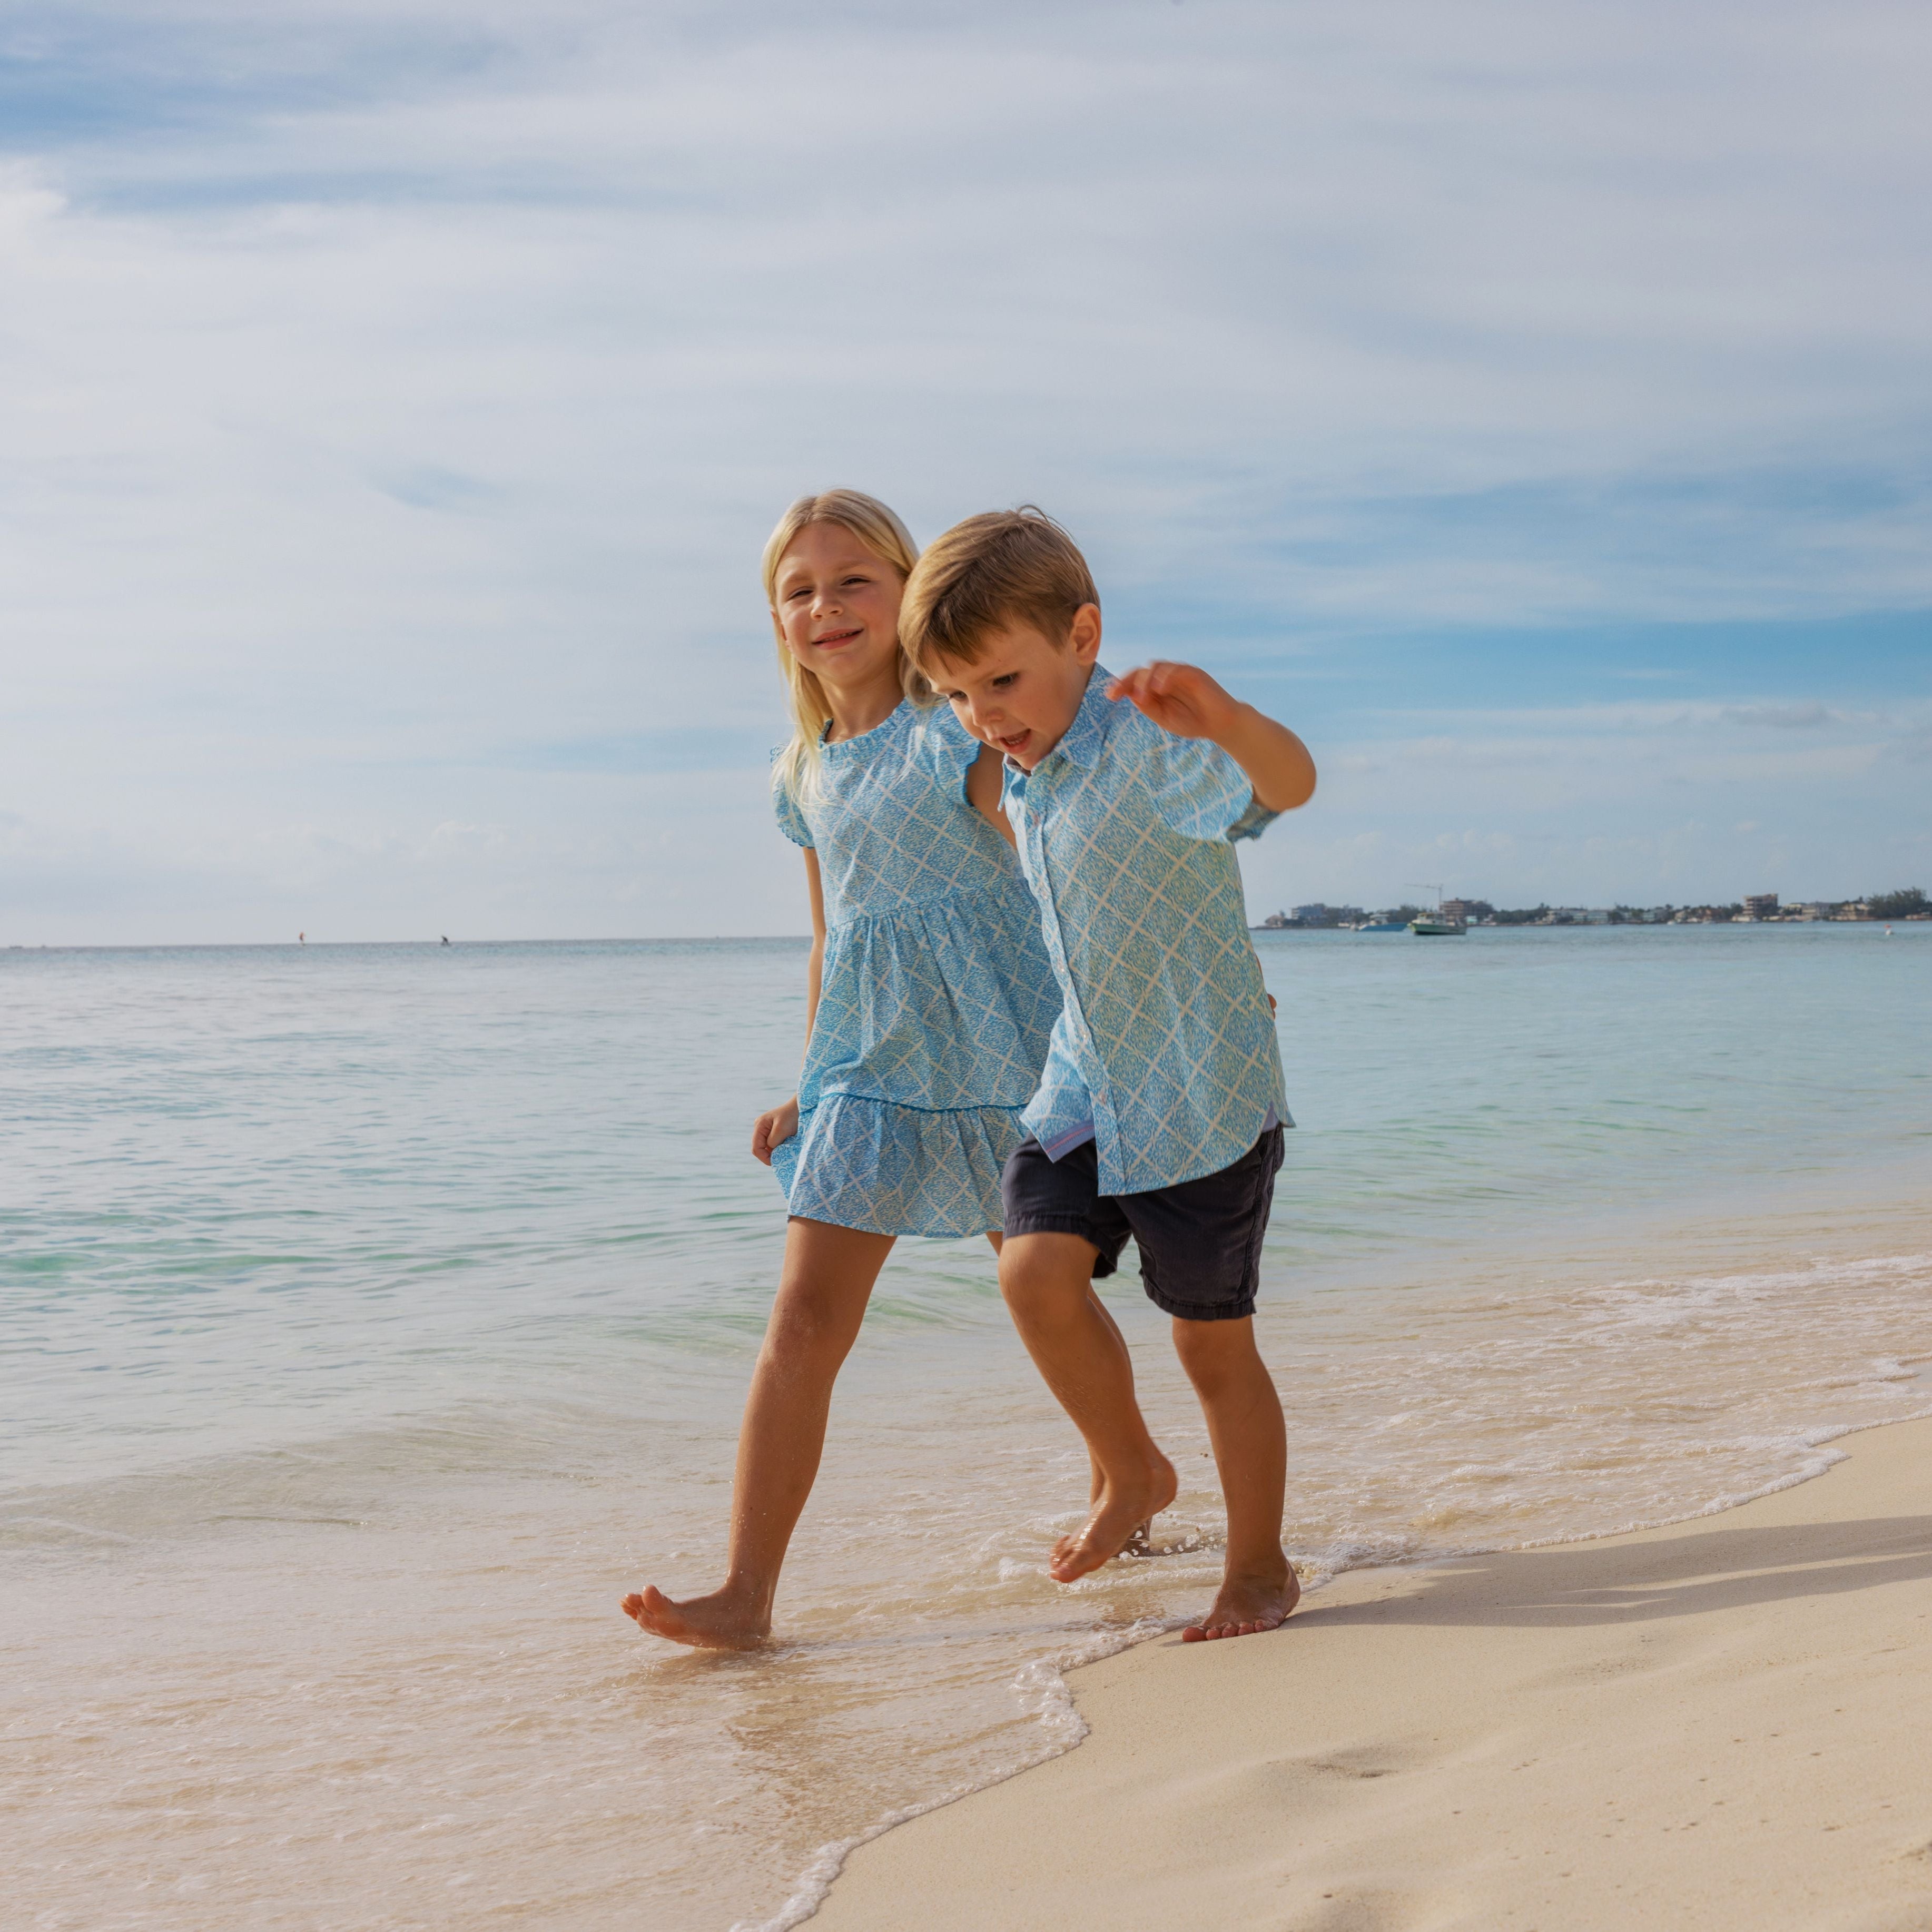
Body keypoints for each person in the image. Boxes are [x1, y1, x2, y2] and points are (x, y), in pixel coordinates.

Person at [624, 489, 1090, 1647]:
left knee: (1042, 1290)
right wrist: (811, 1077)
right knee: (801, 1319)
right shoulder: (804, 771)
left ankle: (1129, 1479)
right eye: (799, 590)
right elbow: (836, 931)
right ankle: (745, 1593)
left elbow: (1058, 860)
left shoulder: (956, 729)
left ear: (906, 593)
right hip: (871, 1066)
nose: (825, 607)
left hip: (1003, 1052)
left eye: (852, 582)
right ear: (775, 617)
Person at [902, 507, 1318, 1643]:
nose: (983, 717)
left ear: (1084, 636)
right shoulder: (1020, 771)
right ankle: (1131, 1470)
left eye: (1000, 681)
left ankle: (1260, 1566)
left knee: (1206, 1341)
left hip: (1200, 1090)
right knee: (1032, 1273)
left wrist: (1227, 720)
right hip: (1083, 1085)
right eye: (955, 696)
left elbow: (1290, 785)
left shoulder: (1154, 748)